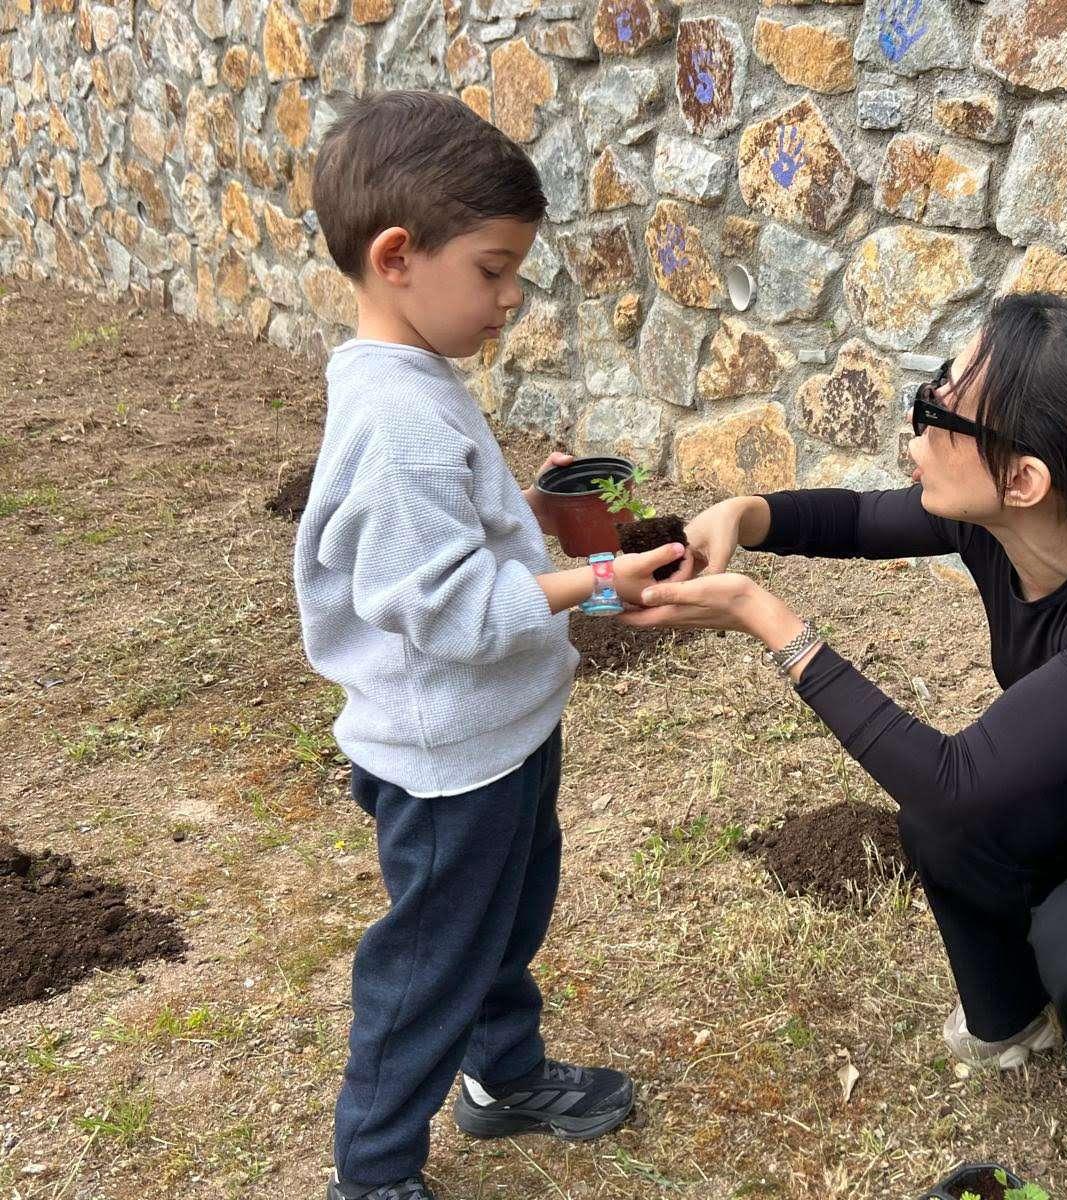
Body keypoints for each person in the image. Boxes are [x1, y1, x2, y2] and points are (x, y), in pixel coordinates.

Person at [622, 293, 1067, 1160]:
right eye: (939, 382)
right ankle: (1014, 1013)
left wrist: (765, 617)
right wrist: (744, 514)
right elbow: (855, 519)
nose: (920, 418)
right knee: (947, 831)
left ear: (1025, 480)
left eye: (939, 408)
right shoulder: (1006, 524)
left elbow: (955, 778)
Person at [294, 92, 684, 1200]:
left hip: (499, 736)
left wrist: (530, 510)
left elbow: (451, 535)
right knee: (430, 964)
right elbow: (453, 610)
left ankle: (502, 1076)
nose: (513, 297)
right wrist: (598, 582)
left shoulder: (413, 380)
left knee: (500, 926)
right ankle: (373, 1173)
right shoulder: (398, 422)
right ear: (397, 257)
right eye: (495, 269)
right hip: (448, 764)